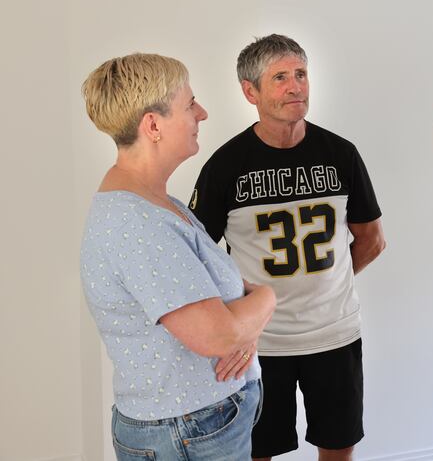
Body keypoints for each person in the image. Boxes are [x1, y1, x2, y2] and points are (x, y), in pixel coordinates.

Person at [190, 34, 386, 461]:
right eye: (280, 77)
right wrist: (235, 319)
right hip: (261, 343)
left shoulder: (340, 154)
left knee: (338, 445)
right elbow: (198, 257)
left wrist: (327, 285)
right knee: (257, 449)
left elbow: (371, 239)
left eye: (300, 74)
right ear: (250, 91)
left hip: (335, 334)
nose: (295, 86)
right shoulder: (225, 166)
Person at [80, 53, 277, 460]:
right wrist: (266, 301)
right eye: (190, 105)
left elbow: (226, 309)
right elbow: (217, 335)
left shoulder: (157, 204)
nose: (201, 113)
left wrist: (245, 323)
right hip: (188, 433)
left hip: (194, 427)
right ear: (153, 126)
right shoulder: (138, 223)